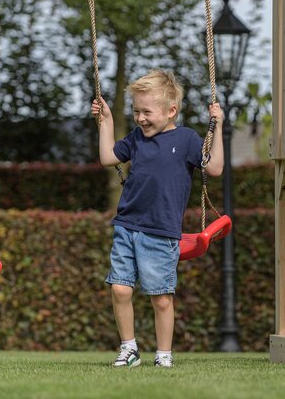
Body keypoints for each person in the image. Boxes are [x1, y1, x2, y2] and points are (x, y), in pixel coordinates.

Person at [91, 69, 224, 368]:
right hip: (127, 225)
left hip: (160, 232)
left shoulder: (187, 139)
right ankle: (129, 348)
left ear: (170, 111)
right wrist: (107, 121)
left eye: (147, 112)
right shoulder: (137, 139)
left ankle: (163, 354)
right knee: (120, 288)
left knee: (161, 297)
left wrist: (219, 126)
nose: (140, 119)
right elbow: (107, 157)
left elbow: (214, 168)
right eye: (136, 111)